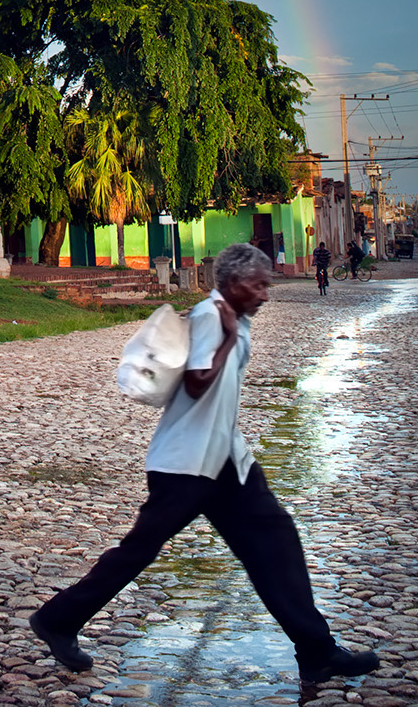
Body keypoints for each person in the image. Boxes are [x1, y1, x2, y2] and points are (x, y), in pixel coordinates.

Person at [28, 242, 380, 688]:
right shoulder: (215, 318)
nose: (265, 295)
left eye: (266, 285)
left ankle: (318, 652)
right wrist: (229, 338)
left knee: (276, 546)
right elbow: (196, 384)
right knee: (141, 550)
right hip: (187, 465)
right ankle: (58, 619)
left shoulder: (231, 315)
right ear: (233, 285)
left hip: (227, 462)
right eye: (258, 286)